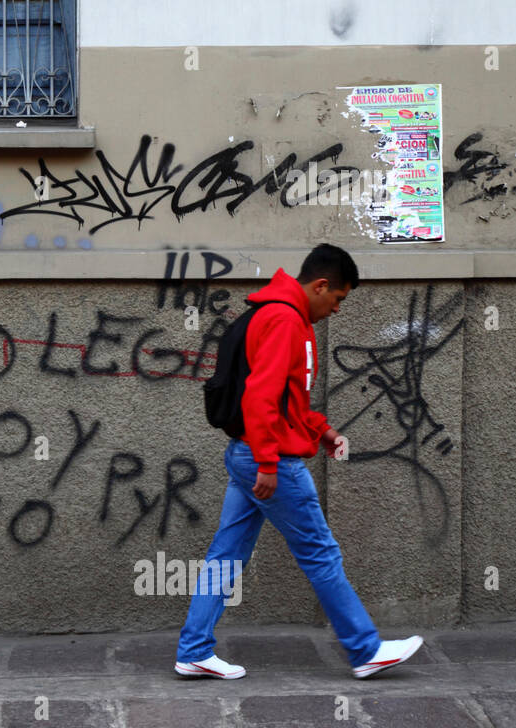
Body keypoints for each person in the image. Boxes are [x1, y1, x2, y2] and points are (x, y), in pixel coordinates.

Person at [175, 244, 423, 680]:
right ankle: (365, 650)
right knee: (320, 553)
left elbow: (288, 397)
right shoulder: (285, 319)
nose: (337, 309)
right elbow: (261, 397)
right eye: (339, 298)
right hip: (269, 459)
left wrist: (320, 430)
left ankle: (194, 650)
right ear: (321, 285)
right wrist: (270, 463)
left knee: (226, 555)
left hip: (246, 453)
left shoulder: (278, 312)